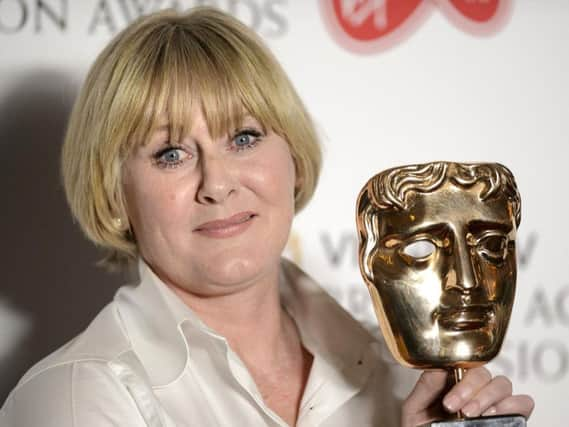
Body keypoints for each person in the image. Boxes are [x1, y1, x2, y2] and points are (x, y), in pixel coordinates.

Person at [0, 7, 533, 427]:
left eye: (244, 137)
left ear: (293, 160)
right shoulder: (72, 398)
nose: (217, 183)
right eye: (170, 154)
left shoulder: (401, 378)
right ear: (115, 195)